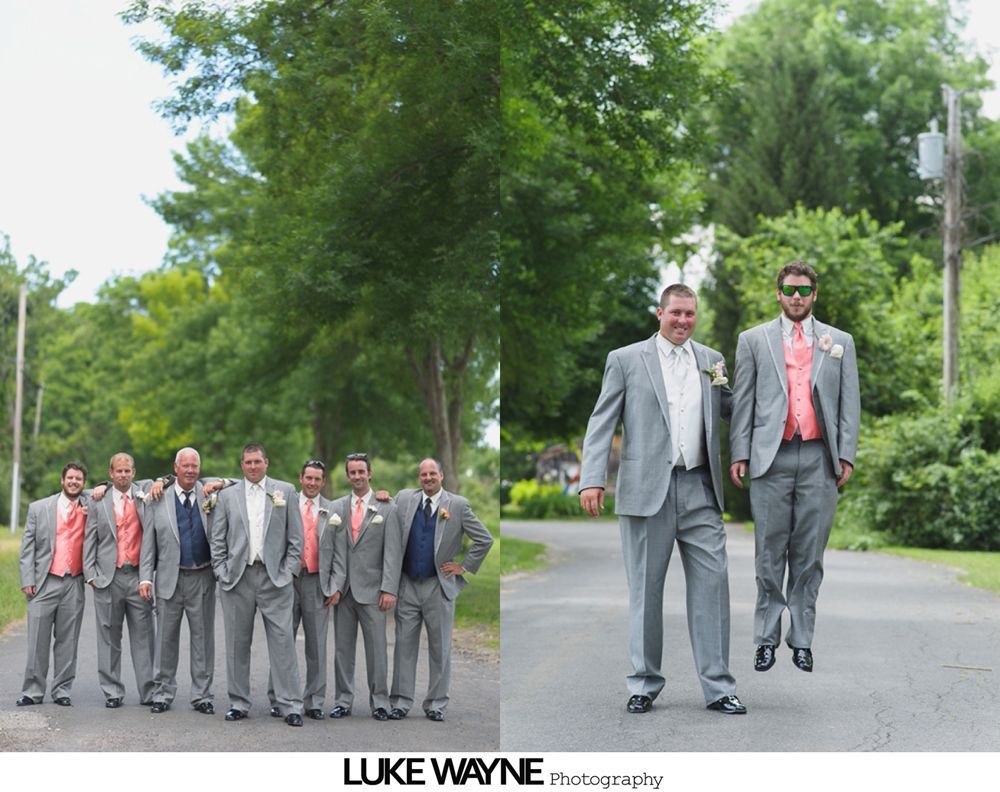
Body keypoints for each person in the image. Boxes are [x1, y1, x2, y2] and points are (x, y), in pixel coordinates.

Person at [578, 284, 746, 715]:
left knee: (713, 588)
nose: (683, 321)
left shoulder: (712, 361)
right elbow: (602, 420)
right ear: (659, 313)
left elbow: (735, 409)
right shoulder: (626, 359)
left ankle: (718, 687)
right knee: (646, 593)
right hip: (644, 490)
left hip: (700, 488)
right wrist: (591, 478)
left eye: (690, 314)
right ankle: (644, 683)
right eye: (675, 313)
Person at [729, 261, 860, 673]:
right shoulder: (753, 340)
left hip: (819, 456)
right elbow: (744, 403)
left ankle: (802, 639)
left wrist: (846, 454)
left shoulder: (839, 341)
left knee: (809, 555)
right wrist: (739, 453)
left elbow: (848, 405)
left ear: (814, 294)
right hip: (771, 456)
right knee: (768, 553)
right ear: (778, 293)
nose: (797, 296)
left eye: (804, 290)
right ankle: (765, 639)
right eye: (789, 289)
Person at [388, 458, 493, 722]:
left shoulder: (457, 505)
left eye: (432, 473)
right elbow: (384, 506)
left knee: (440, 647)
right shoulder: (404, 499)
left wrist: (464, 566)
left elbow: (484, 539)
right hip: (408, 584)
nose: (427, 478)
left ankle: (436, 704)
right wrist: (380, 496)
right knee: (403, 646)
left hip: (438, 585)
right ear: (418, 478)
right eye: (423, 474)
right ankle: (400, 702)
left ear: (442, 475)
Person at [211, 442, 305, 726]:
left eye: (257, 461)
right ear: (242, 465)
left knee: (283, 643)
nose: (253, 466)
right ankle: (239, 702)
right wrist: (222, 571)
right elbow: (218, 539)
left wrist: (287, 572)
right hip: (238, 579)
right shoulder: (227, 496)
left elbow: (296, 538)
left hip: (275, 578)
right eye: (248, 462)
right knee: (238, 644)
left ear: (267, 463)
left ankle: (290, 705)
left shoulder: (285, 491)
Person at [138, 447, 223, 714]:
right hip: (168, 578)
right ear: (175, 468)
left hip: (202, 576)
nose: (190, 470)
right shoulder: (157, 497)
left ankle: (202, 695)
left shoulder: (211, 492)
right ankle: (162, 693)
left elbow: (244, 482)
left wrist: (221, 481)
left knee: (203, 640)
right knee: (165, 639)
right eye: (185, 466)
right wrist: (145, 578)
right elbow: (148, 543)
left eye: (194, 466)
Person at [323, 452, 402, 721]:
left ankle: (380, 702)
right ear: (347, 476)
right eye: (352, 472)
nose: (357, 476)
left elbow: (393, 552)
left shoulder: (387, 508)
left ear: (370, 473)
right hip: (343, 591)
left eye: (361, 472)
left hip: (373, 591)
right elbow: (331, 551)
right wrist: (332, 586)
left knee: (377, 649)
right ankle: (343, 701)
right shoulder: (335, 508)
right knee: (342, 650)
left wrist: (389, 588)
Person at [83, 452, 156, 708]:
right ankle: (112, 691)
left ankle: (148, 692)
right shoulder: (97, 500)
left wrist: (148, 577)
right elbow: (89, 539)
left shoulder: (146, 493)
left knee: (145, 637)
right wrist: (91, 575)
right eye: (119, 471)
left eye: (128, 471)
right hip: (108, 578)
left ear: (134, 473)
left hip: (137, 576)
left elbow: (172, 480)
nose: (123, 475)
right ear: (110, 473)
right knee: (109, 637)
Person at [16, 462, 91, 707]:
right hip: (44, 581)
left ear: (84, 483)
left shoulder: (91, 505)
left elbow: (113, 487)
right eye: (70, 478)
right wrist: (27, 579)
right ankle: (33, 691)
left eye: (78, 479)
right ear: (62, 480)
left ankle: (62, 690)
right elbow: (27, 548)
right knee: (37, 639)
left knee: (67, 640)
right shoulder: (39, 508)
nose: (74, 482)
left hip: (74, 581)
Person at [266, 459, 335, 721]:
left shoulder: (332, 509)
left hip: (318, 582)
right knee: (282, 640)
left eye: (317, 479)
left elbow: (339, 551)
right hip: (288, 581)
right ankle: (277, 698)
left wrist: (334, 585)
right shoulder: (284, 504)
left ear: (323, 482)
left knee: (317, 645)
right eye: (309, 478)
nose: (313, 483)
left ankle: (314, 700)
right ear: (300, 478)